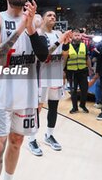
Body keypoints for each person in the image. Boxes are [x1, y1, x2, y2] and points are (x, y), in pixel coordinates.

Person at [0, 0, 48, 180]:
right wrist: (21, 27)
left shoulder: (36, 21)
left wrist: (30, 27)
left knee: (17, 141)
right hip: (2, 92)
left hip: (27, 93)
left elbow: (43, 55)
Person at [27, 10, 71, 155]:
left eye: (54, 16)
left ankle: (49, 135)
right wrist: (60, 40)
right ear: (43, 19)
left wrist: (66, 44)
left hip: (56, 73)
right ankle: (31, 138)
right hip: (41, 74)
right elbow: (43, 55)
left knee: (54, 106)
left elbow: (65, 53)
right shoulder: (37, 33)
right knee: (37, 107)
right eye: (49, 15)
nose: (53, 17)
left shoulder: (59, 33)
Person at [66, 29, 93, 114]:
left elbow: (87, 58)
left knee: (84, 89)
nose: (77, 37)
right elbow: (65, 59)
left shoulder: (84, 45)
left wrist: (90, 68)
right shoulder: (67, 46)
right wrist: (63, 70)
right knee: (73, 90)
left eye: (78, 35)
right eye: (75, 35)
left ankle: (82, 105)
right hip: (71, 72)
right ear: (72, 36)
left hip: (83, 71)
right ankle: (74, 107)